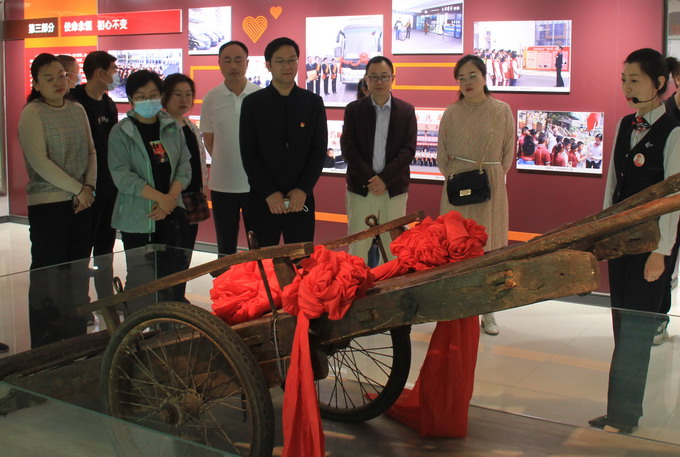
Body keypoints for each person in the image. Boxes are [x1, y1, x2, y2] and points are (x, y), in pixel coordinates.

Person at [589, 48, 680, 435]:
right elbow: (612, 184)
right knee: (621, 326)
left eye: (635, 80)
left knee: (637, 332)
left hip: (651, 248)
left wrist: (661, 253)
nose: (627, 87)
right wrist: (601, 233)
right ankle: (618, 412)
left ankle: (624, 417)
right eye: (624, 80)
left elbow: (674, 199)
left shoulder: (673, 131)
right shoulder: (626, 124)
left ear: (658, 83)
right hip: (620, 244)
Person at [18, 53, 96, 347]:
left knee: (77, 274)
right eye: (49, 78)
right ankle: (46, 346)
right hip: (49, 205)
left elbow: (91, 151)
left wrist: (88, 187)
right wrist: (77, 189)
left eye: (62, 75)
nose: (58, 82)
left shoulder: (77, 109)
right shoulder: (32, 113)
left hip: (82, 202)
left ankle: (75, 341)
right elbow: (40, 161)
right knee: (49, 276)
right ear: (36, 84)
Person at [437, 54, 515, 336]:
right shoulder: (451, 112)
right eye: (461, 78)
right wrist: (458, 176)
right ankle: (457, 307)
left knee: (490, 248)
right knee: (456, 246)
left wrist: (489, 176)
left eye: (473, 76)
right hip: (457, 186)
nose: (467, 82)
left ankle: (488, 310)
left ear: (484, 77)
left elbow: (507, 155)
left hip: (490, 186)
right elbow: (441, 156)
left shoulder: (502, 110)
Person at [108, 69, 192, 307]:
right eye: (141, 96)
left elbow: (184, 166)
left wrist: (170, 198)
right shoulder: (121, 132)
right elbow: (123, 176)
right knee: (141, 278)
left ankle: (168, 325)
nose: (148, 101)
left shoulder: (172, 127)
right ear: (131, 99)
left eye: (153, 95)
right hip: (139, 217)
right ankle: (138, 325)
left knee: (171, 276)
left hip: (171, 213)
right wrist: (160, 198)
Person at [240, 37, 327, 247]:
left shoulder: (313, 103)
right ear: (268, 65)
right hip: (263, 198)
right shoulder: (253, 104)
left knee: (301, 260)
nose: (287, 66)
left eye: (292, 60)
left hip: (301, 199)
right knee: (262, 260)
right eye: (279, 61)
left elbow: (318, 151)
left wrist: (303, 189)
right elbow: (248, 153)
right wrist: (269, 192)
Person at [341, 55, 417, 263]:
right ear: (366, 79)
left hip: (393, 189)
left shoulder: (406, 111)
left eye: (384, 76)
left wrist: (384, 179)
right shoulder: (354, 110)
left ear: (392, 78)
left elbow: (408, 150)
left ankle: (392, 285)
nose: (379, 82)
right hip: (361, 188)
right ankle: (357, 283)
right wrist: (371, 179)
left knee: (394, 249)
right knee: (358, 246)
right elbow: (348, 148)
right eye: (373, 77)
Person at [201, 41, 261, 256]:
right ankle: (224, 278)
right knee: (225, 246)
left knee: (258, 244)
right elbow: (209, 140)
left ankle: (259, 278)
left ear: (247, 63)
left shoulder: (260, 95)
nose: (233, 65)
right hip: (222, 185)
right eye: (227, 60)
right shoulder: (211, 98)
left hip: (255, 185)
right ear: (219, 63)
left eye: (238, 60)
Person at [70, 50, 119, 298]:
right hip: (85, 188)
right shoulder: (74, 102)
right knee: (81, 248)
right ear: (100, 73)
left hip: (109, 186)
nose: (116, 75)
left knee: (105, 247)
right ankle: (79, 301)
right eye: (114, 70)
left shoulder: (109, 103)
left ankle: (106, 299)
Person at [162, 73, 209, 251]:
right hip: (171, 198)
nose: (184, 99)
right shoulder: (161, 126)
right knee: (170, 251)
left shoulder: (189, 125)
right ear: (165, 95)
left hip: (192, 196)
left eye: (188, 94)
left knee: (186, 250)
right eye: (178, 94)